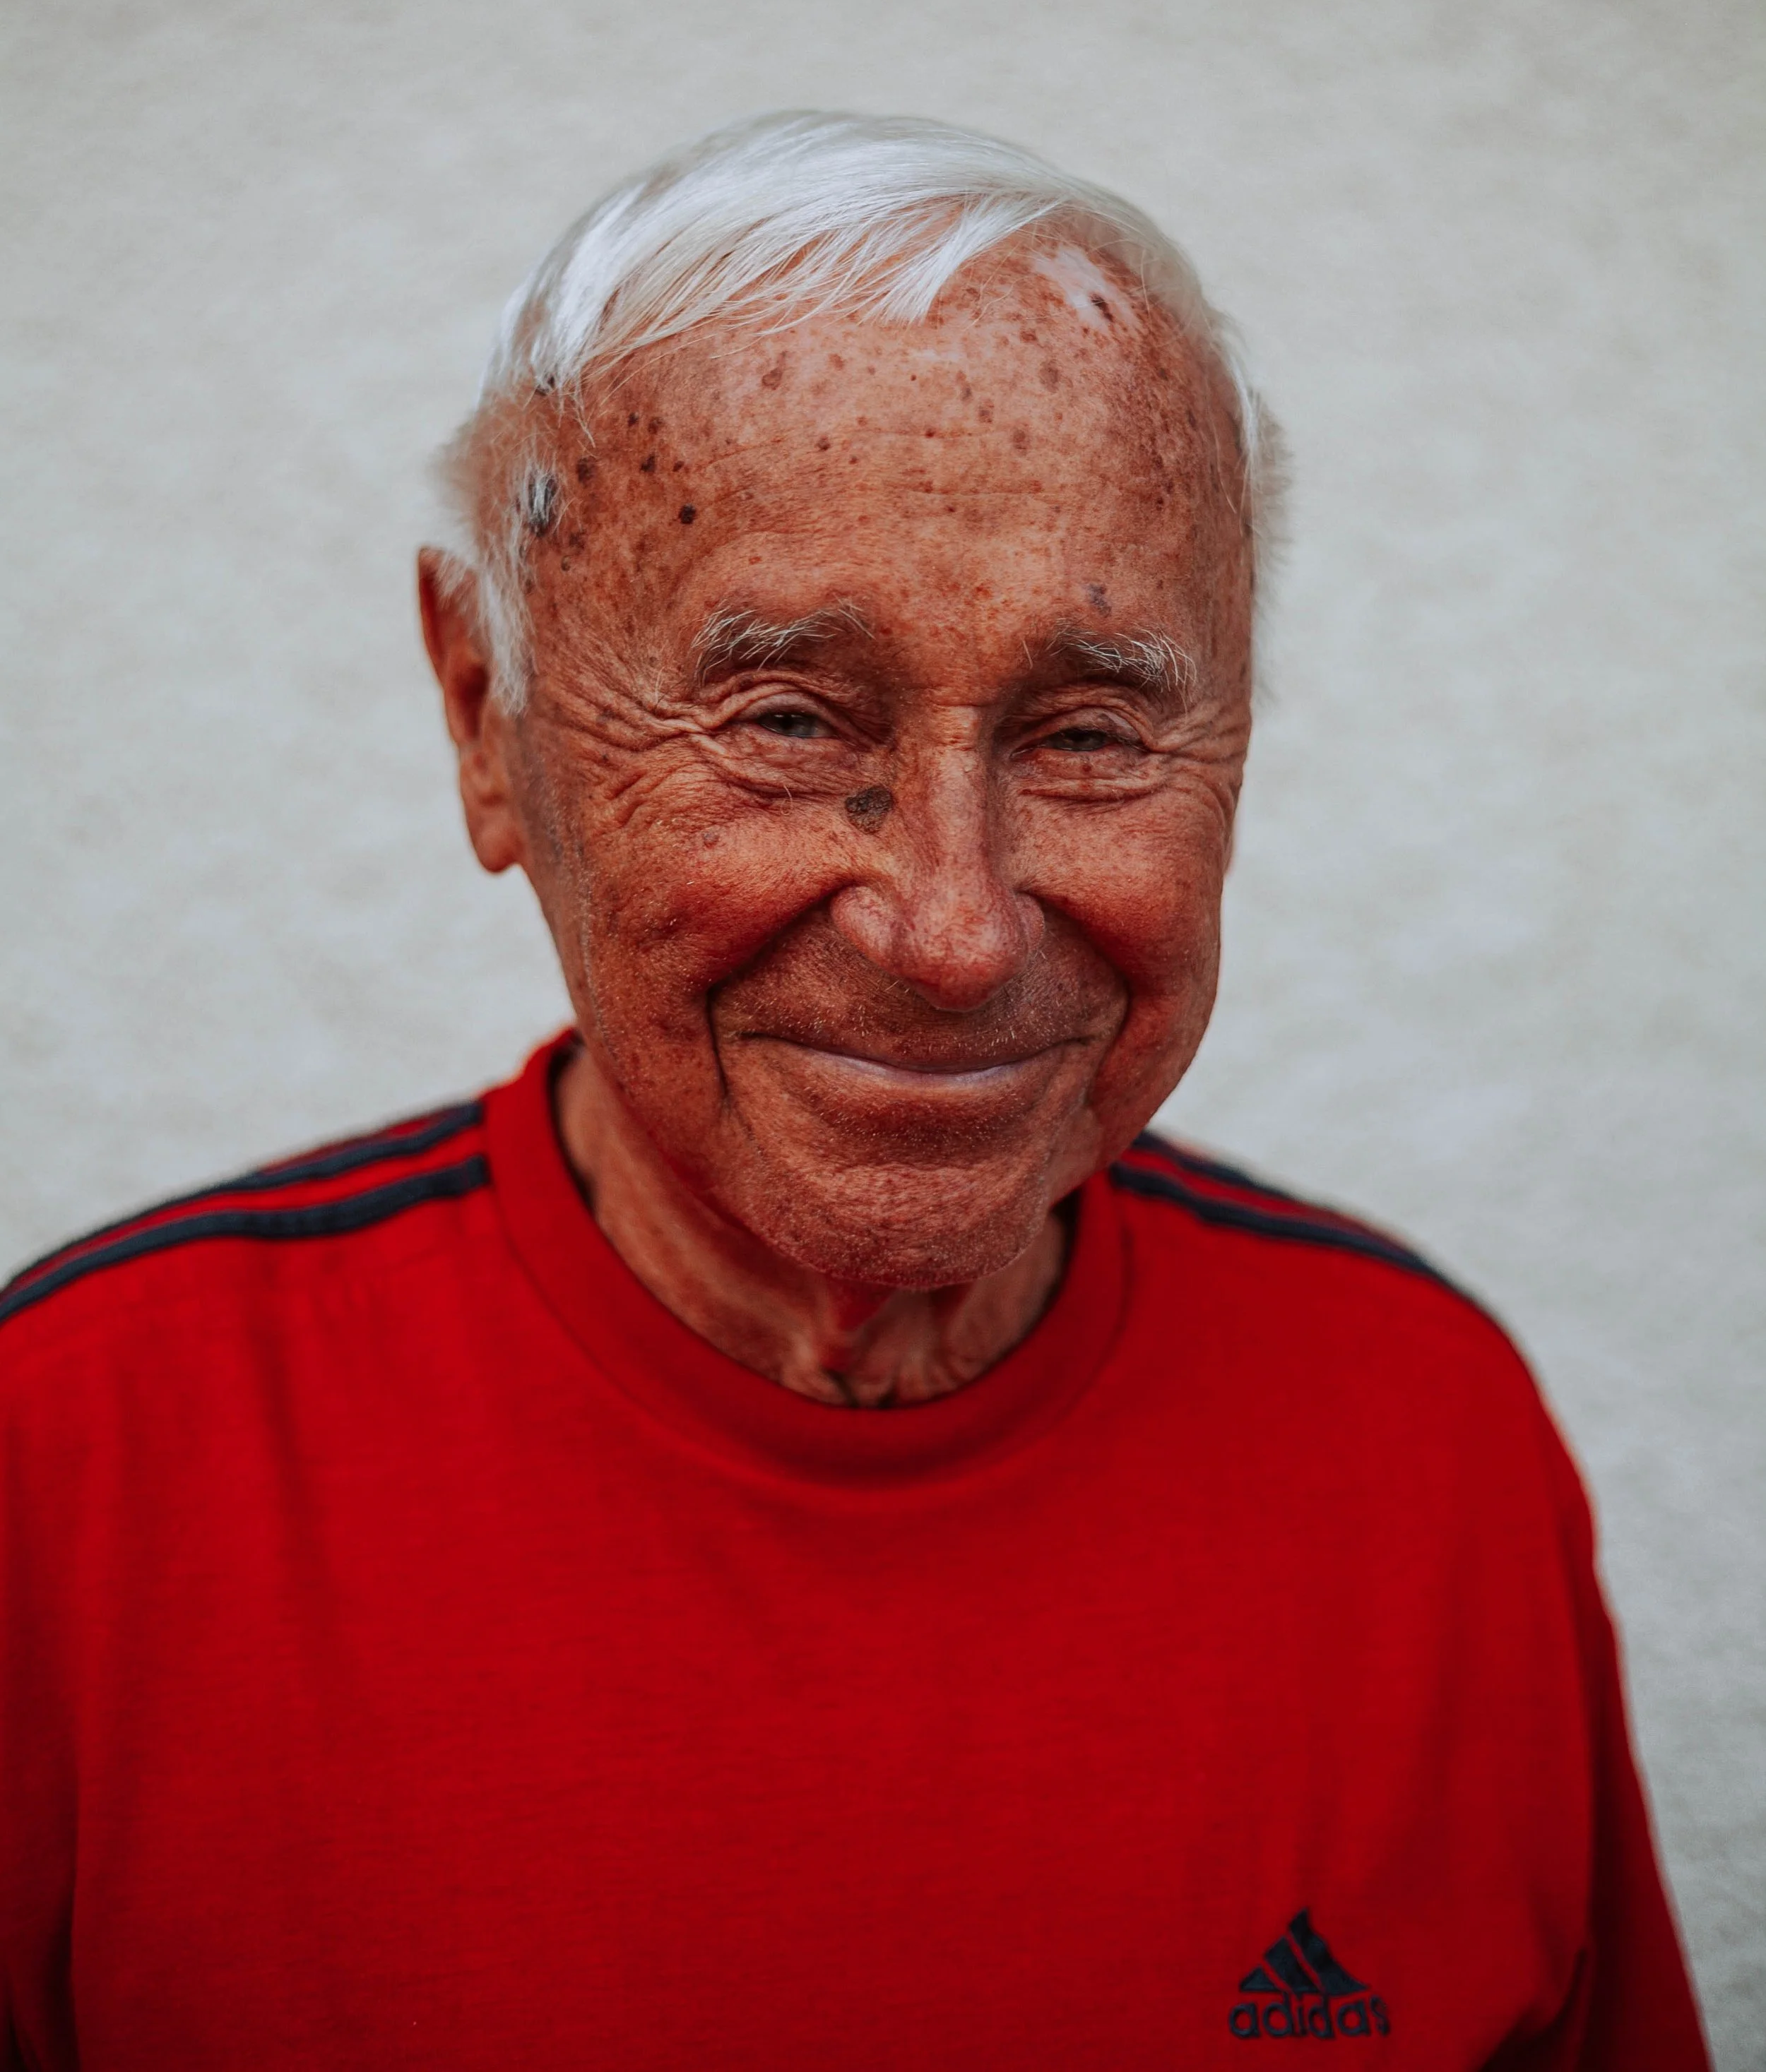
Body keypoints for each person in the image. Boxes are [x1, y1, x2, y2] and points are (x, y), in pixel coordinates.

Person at [0, 114, 1707, 2069]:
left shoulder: (1425, 1440)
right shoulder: (71, 1474)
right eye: (788, 718)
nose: (954, 930)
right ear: (489, 715)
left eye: (1088, 730)